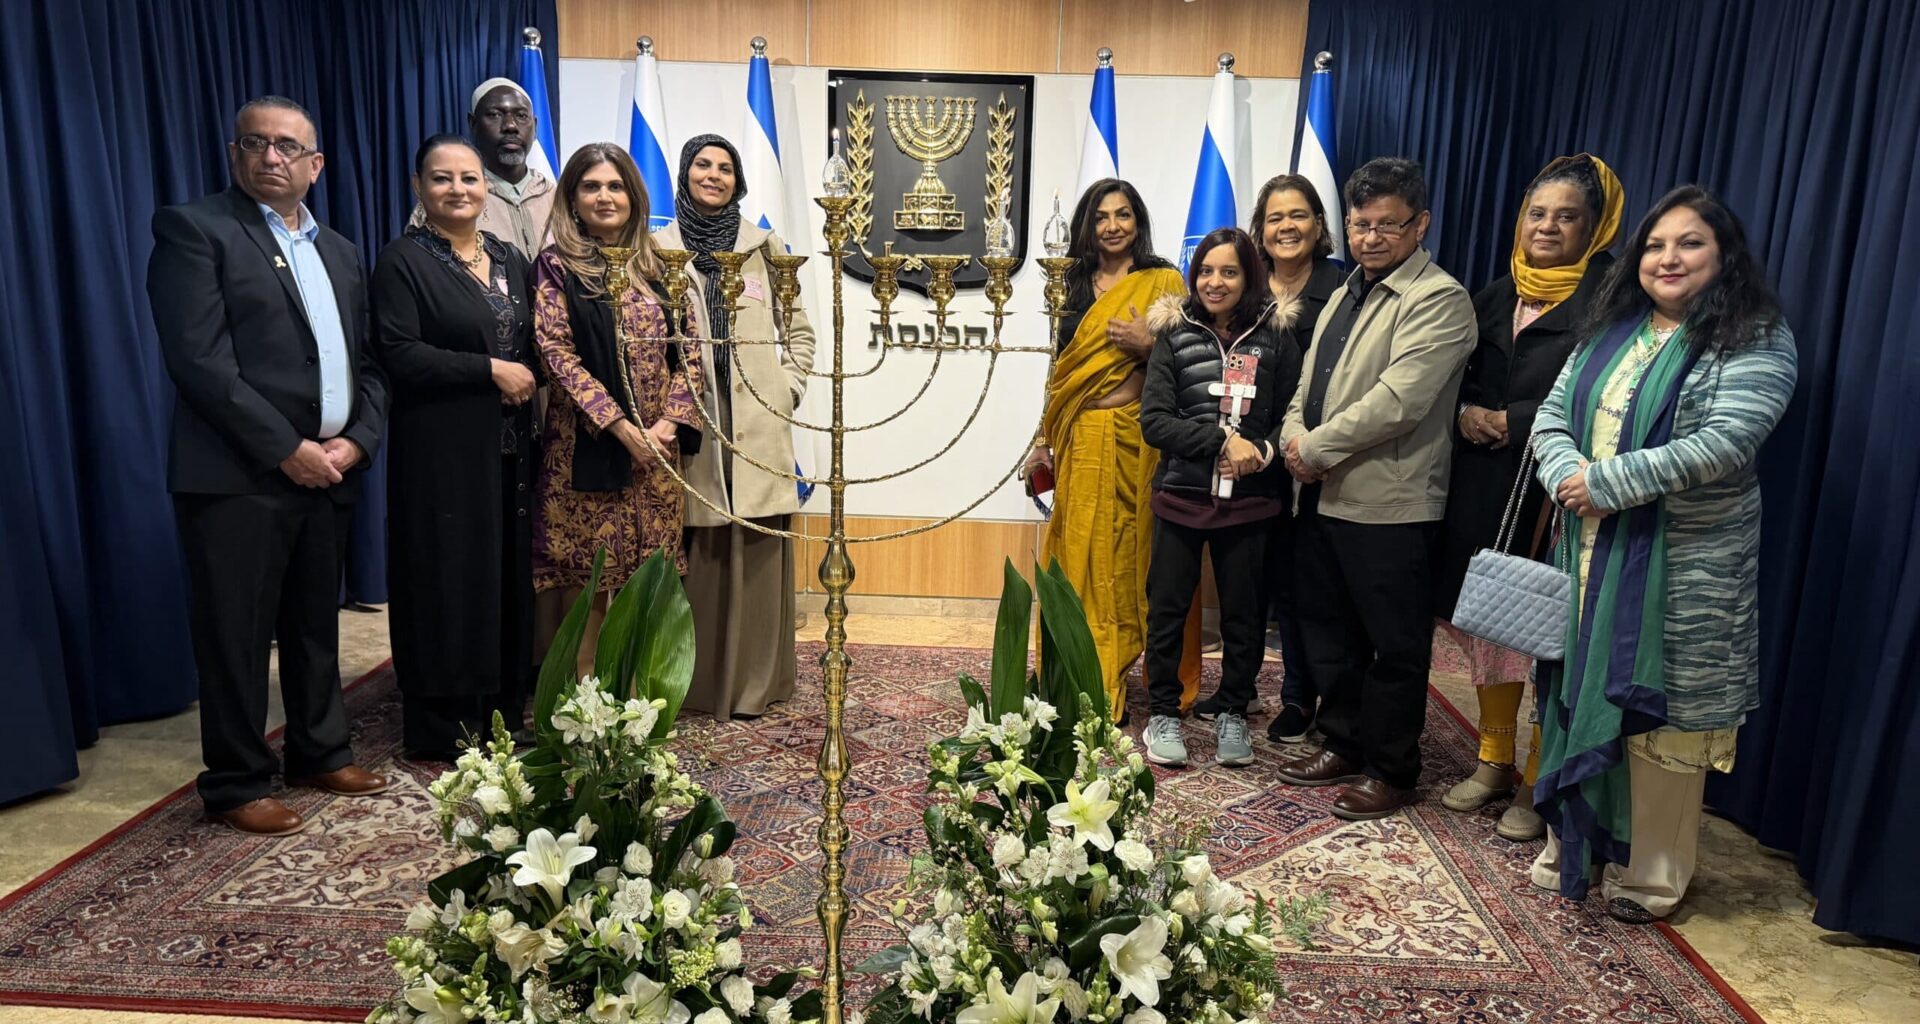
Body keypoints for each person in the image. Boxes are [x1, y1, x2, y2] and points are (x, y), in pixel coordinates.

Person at [1528, 186, 1797, 924]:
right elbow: (1553, 414)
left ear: (1724, 255)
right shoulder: (1614, 328)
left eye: (1690, 244)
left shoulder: (1754, 336)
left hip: (1681, 572)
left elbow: (1722, 444)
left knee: (1662, 728)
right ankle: (1569, 847)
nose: (1667, 258)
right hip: (1583, 551)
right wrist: (1564, 476)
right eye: (1655, 244)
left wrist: (1604, 484)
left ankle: (1652, 879)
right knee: (1574, 694)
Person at [147, 96, 391, 836]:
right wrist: (287, 448)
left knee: (315, 623)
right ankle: (236, 781)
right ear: (234, 153)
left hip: (331, 471)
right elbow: (201, 363)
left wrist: (359, 440)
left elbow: (368, 364)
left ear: (315, 165)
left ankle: (320, 750)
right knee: (237, 636)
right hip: (238, 477)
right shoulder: (195, 230)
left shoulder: (342, 251)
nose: (271, 156)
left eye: (288, 146)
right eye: (256, 142)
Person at [1273, 157, 1476, 821]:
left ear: (1421, 224)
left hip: (1390, 505)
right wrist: (1292, 432)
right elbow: (1310, 381)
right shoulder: (1345, 289)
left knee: (1393, 645)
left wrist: (1314, 448)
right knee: (1333, 633)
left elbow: (1399, 402)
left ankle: (1392, 768)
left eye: (1389, 226)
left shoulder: (1439, 299)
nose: (1372, 238)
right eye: (1361, 225)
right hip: (1324, 495)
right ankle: (1344, 740)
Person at [1432, 154, 1625, 841]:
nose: (1548, 227)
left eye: (1566, 216)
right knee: (1491, 626)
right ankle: (1493, 761)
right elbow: (1450, 372)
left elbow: (1605, 394)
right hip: (1484, 486)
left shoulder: (1612, 303)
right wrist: (1463, 413)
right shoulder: (1492, 294)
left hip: (1557, 494)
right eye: (1537, 214)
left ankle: (1541, 778)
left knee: (1547, 636)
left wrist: (1515, 420)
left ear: (1594, 227)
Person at [372, 135, 539, 760]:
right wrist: (488, 371)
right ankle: (445, 725)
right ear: (419, 187)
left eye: (469, 178)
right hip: (441, 454)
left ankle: (500, 712)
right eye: (442, 179)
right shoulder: (403, 261)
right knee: (446, 577)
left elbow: (531, 341)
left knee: (500, 577)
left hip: (509, 452)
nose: (458, 190)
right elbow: (398, 351)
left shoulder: (507, 256)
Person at [1021, 179, 1198, 724]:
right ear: (1087, 225)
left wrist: (1143, 358)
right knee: (1075, 553)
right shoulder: (1070, 283)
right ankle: (1069, 673)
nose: (1113, 226)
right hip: (1077, 436)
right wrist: (1042, 438)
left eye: (1123, 215)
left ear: (1138, 222)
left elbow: (1188, 358)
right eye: (1101, 216)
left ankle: (1113, 674)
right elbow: (1062, 368)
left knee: (1125, 554)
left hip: (1136, 438)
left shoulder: (1164, 281)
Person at [655, 134, 816, 719]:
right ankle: (695, 684)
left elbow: (799, 330)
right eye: (703, 164)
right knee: (700, 542)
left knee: (756, 540)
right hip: (689, 419)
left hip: (757, 417)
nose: (714, 175)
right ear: (684, 172)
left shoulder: (764, 247)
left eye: (726, 168)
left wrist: (787, 389)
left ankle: (755, 682)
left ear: (738, 180)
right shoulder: (657, 250)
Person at [532, 143, 704, 673]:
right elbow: (555, 352)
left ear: (633, 194)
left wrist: (667, 425)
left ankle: (637, 713)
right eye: (591, 186)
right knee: (589, 586)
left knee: (646, 582)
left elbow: (693, 352)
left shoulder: (662, 263)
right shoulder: (557, 266)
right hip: (589, 449)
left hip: (659, 457)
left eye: (615, 186)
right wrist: (622, 428)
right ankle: (584, 715)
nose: (604, 197)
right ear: (572, 198)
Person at [1138, 228, 1302, 768]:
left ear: (1249, 276)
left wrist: (1261, 448)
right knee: (1167, 609)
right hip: (1180, 498)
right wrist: (1219, 441)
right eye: (1206, 271)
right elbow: (1155, 421)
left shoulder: (1275, 336)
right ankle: (1163, 712)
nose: (1215, 282)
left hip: (1251, 504)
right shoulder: (1173, 333)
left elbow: (1291, 415)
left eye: (1229, 272)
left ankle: (1233, 708)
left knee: (1244, 614)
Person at [1234, 173, 1345, 744]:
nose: (1286, 227)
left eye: (1298, 215)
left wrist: (1297, 444)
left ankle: (1303, 697)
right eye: (1274, 218)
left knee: (1307, 589)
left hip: (1311, 459)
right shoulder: (1244, 290)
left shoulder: (1345, 289)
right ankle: (1241, 688)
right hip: (1249, 461)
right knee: (1256, 582)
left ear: (1320, 225)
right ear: (1259, 229)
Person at [408, 79, 555, 259]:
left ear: (535, 126)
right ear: (473, 123)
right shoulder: (451, 199)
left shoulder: (558, 198)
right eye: (495, 114)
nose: (510, 126)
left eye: (522, 116)